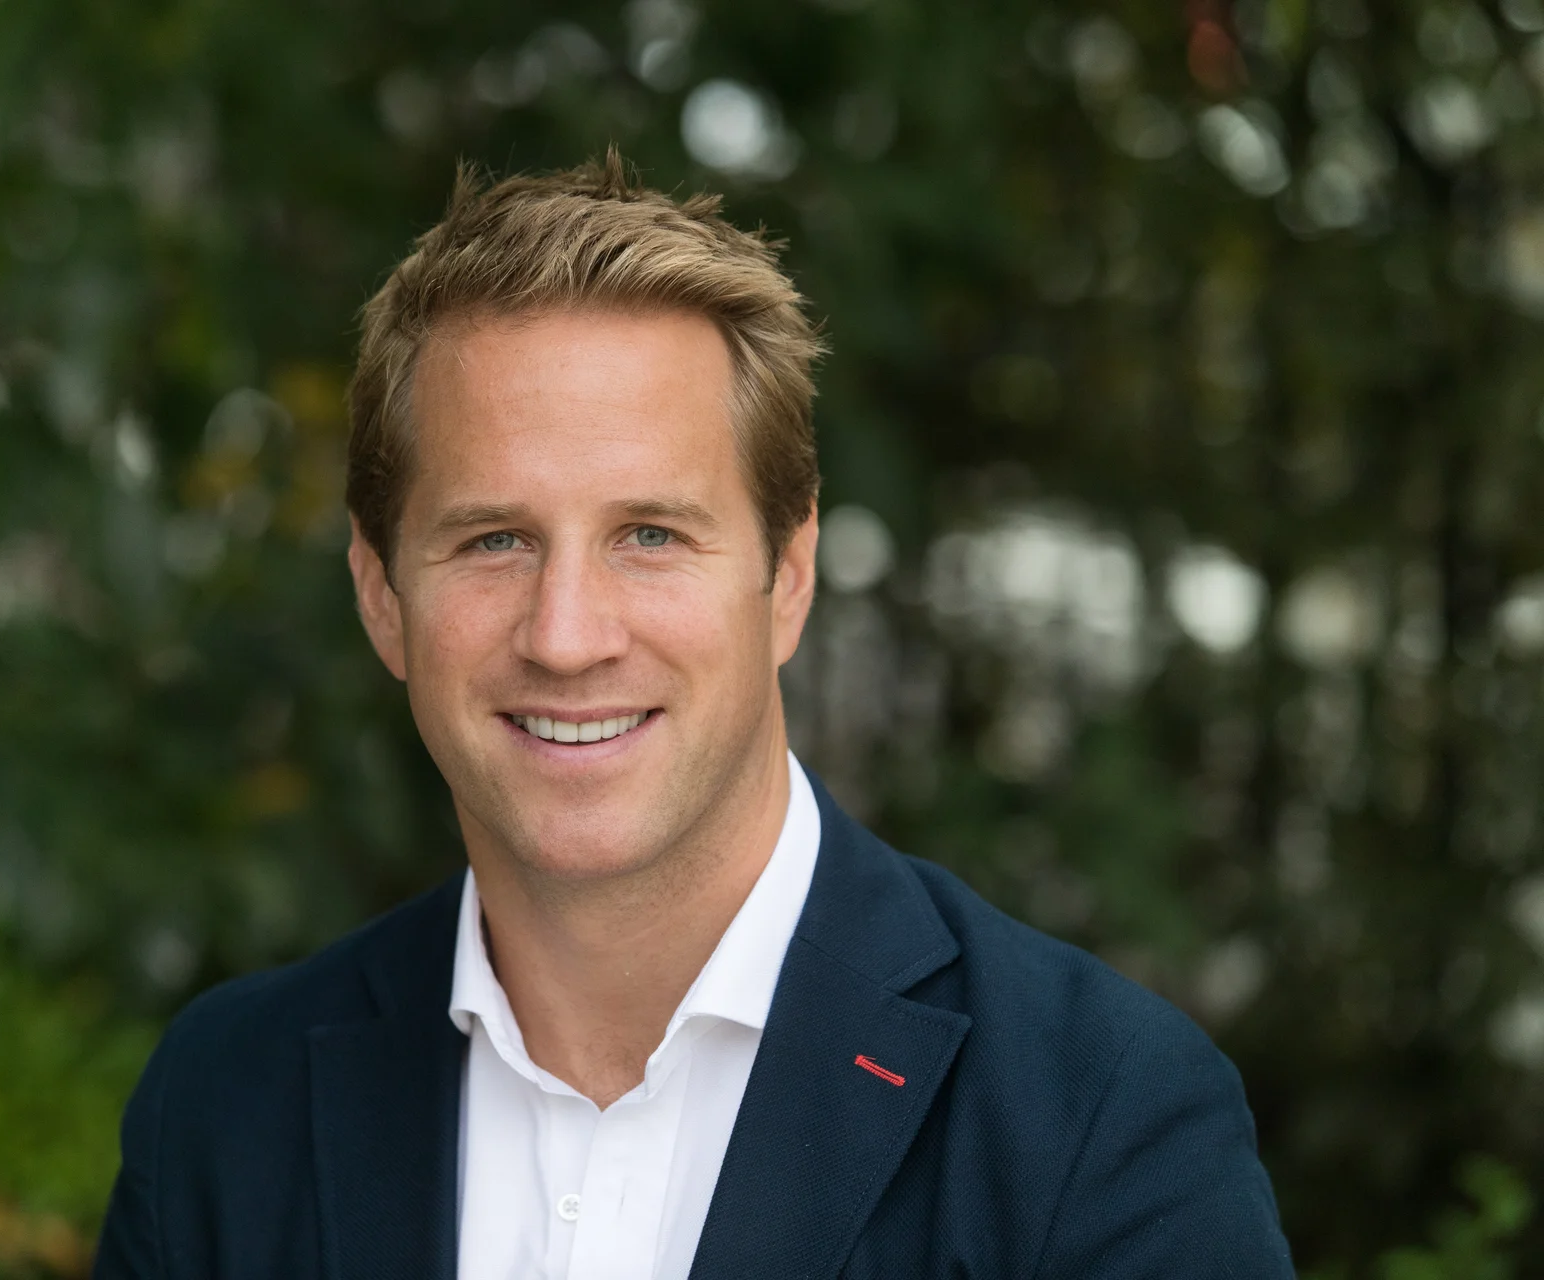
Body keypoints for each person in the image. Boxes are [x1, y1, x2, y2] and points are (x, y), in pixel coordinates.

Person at [93, 152, 1294, 1279]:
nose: (567, 634)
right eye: (494, 539)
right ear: (380, 594)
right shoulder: (220, 1108)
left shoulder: (1098, 1121)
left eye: (651, 535)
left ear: (789, 575)